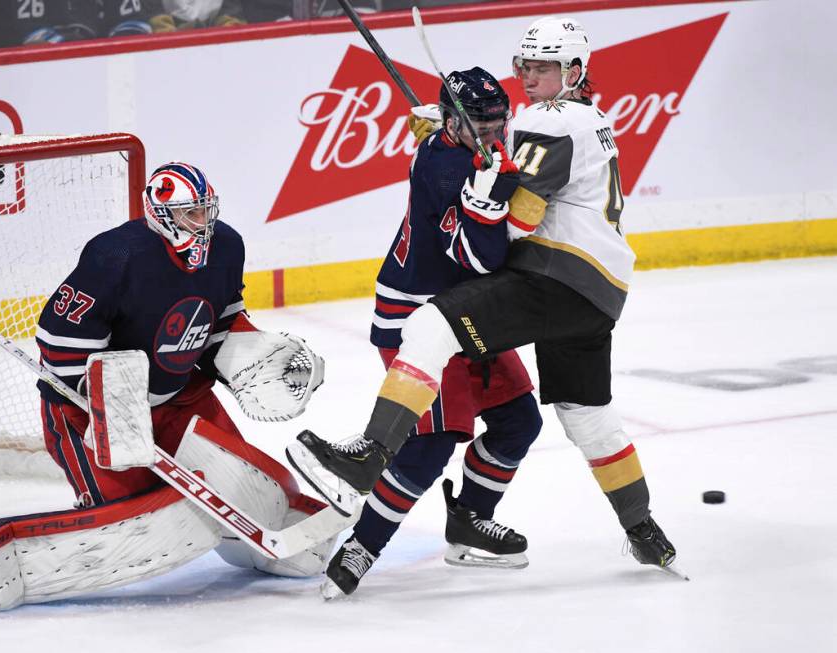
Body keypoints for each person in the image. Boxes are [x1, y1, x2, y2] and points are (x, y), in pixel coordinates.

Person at [288, 16, 680, 576]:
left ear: (573, 71)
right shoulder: (589, 117)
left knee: (432, 334)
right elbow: (482, 241)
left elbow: (504, 238)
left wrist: (482, 178)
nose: (529, 79)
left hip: (549, 281)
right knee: (578, 417)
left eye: (543, 68)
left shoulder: (548, 120)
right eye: (525, 66)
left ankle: (371, 456)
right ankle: (642, 529)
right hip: (598, 294)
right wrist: (466, 157)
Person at [0, 162, 334, 610]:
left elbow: (221, 316)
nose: (203, 224)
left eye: (206, 211)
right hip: (90, 411)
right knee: (132, 519)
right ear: (162, 215)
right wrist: (112, 409)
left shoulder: (227, 246)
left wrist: (247, 357)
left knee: (245, 485)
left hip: (182, 397)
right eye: (190, 214)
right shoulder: (116, 256)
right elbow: (57, 341)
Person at [310, 68, 543, 599]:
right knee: (433, 443)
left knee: (518, 422)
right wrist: (487, 199)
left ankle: (469, 522)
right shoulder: (445, 170)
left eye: (498, 123)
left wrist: (463, 141)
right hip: (420, 319)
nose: (493, 134)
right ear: (456, 123)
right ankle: (361, 546)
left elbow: (446, 131)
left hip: (466, 314)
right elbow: (478, 259)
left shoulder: (458, 140)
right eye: (480, 125)